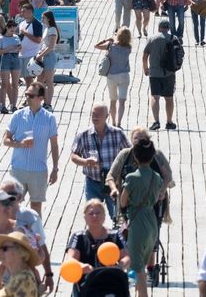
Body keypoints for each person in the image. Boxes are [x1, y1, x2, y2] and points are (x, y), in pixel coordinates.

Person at [117, 139, 165, 297]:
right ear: (152, 157)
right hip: (152, 222)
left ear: (135, 157)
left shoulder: (131, 178)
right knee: (142, 266)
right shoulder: (156, 177)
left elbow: (122, 201)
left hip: (137, 224)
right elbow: (159, 197)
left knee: (138, 270)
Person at [3, 82, 59, 215]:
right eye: (26, 94)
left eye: (31, 95)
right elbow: (6, 140)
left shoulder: (49, 118)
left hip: (38, 171)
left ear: (41, 98)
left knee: (36, 208)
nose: (27, 97)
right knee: (12, 207)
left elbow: (54, 145)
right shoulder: (18, 115)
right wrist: (20, 144)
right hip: (18, 169)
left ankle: (36, 234)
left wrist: (55, 168)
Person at [69, 104, 128, 221]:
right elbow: (73, 155)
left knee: (118, 218)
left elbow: (129, 153)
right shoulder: (83, 135)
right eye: (93, 114)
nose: (95, 117)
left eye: (98, 114)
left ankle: (116, 239)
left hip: (113, 183)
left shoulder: (117, 134)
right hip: (92, 182)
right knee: (92, 217)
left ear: (107, 116)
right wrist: (85, 161)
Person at [64, 199, 128, 295]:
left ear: (104, 216)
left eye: (98, 213)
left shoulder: (115, 234)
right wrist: (82, 267)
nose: (95, 216)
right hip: (86, 284)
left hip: (113, 281)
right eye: (91, 213)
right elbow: (71, 259)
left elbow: (126, 256)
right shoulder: (78, 237)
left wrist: (120, 265)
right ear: (85, 217)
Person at [143, 19, 178, 131]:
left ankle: (156, 121)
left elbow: (145, 55)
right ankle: (169, 121)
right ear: (168, 28)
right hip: (169, 73)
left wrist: (145, 68)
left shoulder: (152, 39)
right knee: (169, 98)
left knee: (154, 96)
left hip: (154, 72)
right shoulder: (173, 38)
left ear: (159, 28)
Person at [93, 27, 132, 127]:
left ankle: (113, 122)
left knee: (113, 101)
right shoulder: (129, 47)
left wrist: (107, 40)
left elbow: (96, 46)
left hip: (112, 76)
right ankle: (119, 122)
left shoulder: (110, 46)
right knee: (122, 102)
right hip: (124, 76)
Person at [0, 231, 41, 297]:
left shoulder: (22, 279)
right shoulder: (17, 276)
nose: (0, 252)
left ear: (20, 251)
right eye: (0, 248)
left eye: (4, 249)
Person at [34, 10, 59, 109]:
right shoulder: (47, 29)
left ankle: (48, 103)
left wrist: (41, 55)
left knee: (49, 81)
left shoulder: (52, 29)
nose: (42, 19)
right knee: (39, 80)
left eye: (43, 17)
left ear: (48, 18)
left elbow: (51, 46)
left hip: (49, 56)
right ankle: (40, 101)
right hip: (44, 56)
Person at [16, 1, 43, 86]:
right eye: (22, 11)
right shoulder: (22, 23)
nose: (22, 13)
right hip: (22, 54)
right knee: (25, 77)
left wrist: (26, 33)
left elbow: (38, 40)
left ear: (30, 12)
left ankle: (30, 95)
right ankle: (29, 94)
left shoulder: (36, 24)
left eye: (24, 11)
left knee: (29, 77)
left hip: (32, 54)